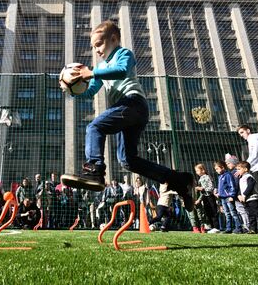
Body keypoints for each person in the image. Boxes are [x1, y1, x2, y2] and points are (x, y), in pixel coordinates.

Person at [60, 20, 194, 210]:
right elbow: (90, 91)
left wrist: (91, 72)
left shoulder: (123, 54)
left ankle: (95, 169)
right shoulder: (101, 68)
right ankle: (179, 180)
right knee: (128, 161)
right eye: (94, 47)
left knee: (95, 127)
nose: (96, 50)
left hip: (133, 104)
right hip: (128, 112)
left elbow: (121, 71)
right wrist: (71, 88)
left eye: (99, 44)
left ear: (113, 39)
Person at [236, 161, 258, 234]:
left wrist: (244, 195)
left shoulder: (249, 177)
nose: (237, 171)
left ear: (245, 169)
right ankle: (253, 229)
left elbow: (250, 186)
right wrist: (239, 195)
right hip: (246, 200)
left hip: (253, 199)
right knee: (250, 215)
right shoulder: (241, 178)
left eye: (239, 169)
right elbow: (239, 189)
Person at [213, 160, 243, 234]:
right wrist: (218, 193)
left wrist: (231, 195)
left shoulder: (228, 175)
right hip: (222, 198)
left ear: (222, 167)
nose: (216, 171)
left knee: (233, 212)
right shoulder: (220, 176)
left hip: (228, 197)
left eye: (217, 169)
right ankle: (228, 228)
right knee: (227, 213)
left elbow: (232, 186)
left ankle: (238, 227)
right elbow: (222, 187)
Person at [225, 154, 248, 233]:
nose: (227, 165)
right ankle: (242, 226)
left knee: (241, 211)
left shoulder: (235, 173)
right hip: (235, 195)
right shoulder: (232, 172)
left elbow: (235, 184)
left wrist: (234, 195)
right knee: (238, 211)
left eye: (229, 163)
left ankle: (246, 226)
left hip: (237, 195)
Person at [194, 163, 219, 234]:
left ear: (203, 170)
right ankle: (211, 227)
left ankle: (216, 227)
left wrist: (202, 188)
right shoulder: (201, 178)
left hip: (210, 196)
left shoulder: (207, 177)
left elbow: (211, 187)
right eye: (196, 171)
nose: (197, 172)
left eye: (197, 170)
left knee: (213, 211)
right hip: (205, 197)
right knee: (208, 212)